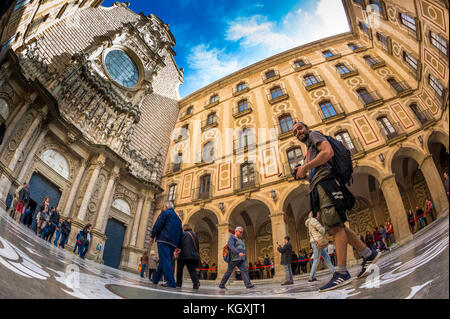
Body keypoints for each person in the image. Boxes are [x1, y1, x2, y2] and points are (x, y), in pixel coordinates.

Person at [292, 121, 379, 291]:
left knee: (336, 228)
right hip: (320, 185)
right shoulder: (309, 149)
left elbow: (328, 152)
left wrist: (306, 167)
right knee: (337, 226)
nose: (298, 132)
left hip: (327, 185)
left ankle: (341, 272)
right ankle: (369, 254)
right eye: (295, 132)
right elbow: (316, 172)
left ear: (307, 128)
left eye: (300, 128)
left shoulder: (314, 135)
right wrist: (303, 173)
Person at [149, 201, 183, 288]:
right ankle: (155, 279)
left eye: (163, 207)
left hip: (163, 240)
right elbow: (180, 233)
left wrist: (152, 236)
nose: (163, 208)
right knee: (163, 260)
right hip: (173, 243)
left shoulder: (165, 213)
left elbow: (158, 225)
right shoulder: (179, 220)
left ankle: (171, 282)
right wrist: (179, 246)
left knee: (166, 260)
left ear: (166, 206)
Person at [305, 212, 335, 282]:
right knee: (316, 259)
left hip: (315, 242)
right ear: (314, 214)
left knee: (326, 257)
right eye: (318, 214)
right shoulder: (313, 220)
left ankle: (334, 271)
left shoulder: (309, 222)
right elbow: (321, 230)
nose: (319, 215)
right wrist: (325, 228)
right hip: (317, 242)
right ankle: (311, 276)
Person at [175, 224, 201, 289]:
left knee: (179, 270)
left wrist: (176, 251)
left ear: (184, 228)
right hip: (192, 255)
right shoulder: (194, 235)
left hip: (183, 255)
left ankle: (178, 283)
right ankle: (196, 283)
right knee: (192, 270)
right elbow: (197, 246)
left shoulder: (183, 234)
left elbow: (179, 244)